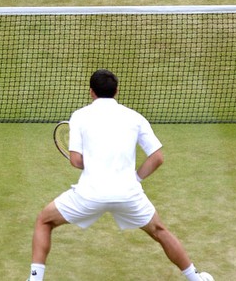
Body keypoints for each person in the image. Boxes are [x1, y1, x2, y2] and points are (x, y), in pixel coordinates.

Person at [28, 69, 212, 281]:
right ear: (116, 91)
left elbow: (76, 161)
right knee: (160, 231)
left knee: (44, 220)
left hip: (89, 196)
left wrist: (97, 163)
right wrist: (135, 179)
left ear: (91, 92)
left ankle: (34, 279)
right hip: (129, 195)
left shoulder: (79, 116)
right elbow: (157, 157)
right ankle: (196, 278)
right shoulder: (135, 117)